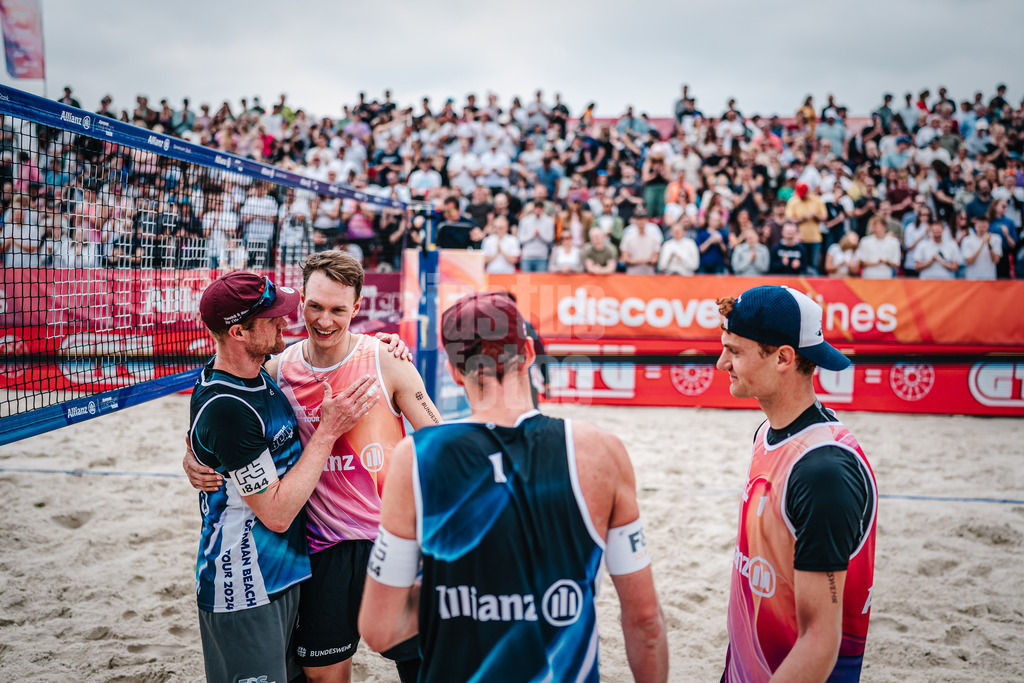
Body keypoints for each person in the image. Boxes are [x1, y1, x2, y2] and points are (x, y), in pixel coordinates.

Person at [357, 291, 669, 682]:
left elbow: (380, 629)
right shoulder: (600, 451)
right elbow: (645, 621)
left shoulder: (417, 458)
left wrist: (459, 588)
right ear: (530, 352)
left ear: (454, 371)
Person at [186, 252, 441, 683]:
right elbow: (222, 418)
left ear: (356, 308)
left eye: (339, 309)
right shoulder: (277, 368)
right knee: (322, 675)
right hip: (323, 551)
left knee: (425, 666)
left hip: (392, 541)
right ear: (301, 302)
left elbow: (442, 441)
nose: (325, 320)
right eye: (316, 307)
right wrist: (193, 457)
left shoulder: (386, 359)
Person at [715, 285, 877, 682]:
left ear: (784, 358)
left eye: (734, 351)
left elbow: (820, 643)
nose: (722, 363)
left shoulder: (824, 472)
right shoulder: (768, 433)